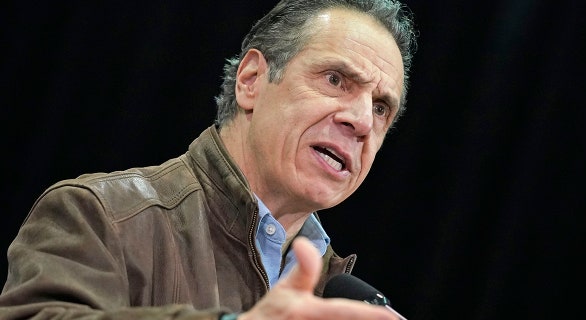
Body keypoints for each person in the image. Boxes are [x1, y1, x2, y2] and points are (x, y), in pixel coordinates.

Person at [0, 0, 417, 319]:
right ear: (251, 81)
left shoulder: (338, 297)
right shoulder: (102, 216)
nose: (362, 120)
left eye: (381, 107)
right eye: (335, 80)